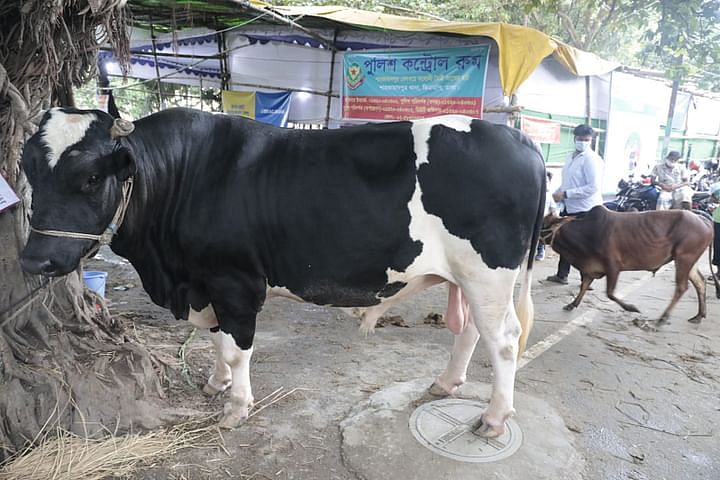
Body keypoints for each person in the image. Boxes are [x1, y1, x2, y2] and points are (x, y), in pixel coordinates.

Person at [546, 124, 604, 284]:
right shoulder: (570, 157)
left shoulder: (592, 159)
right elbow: (568, 182)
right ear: (574, 138)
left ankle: (587, 278)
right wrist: (557, 194)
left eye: (586, 139)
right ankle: (562, 275)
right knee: (566, 241)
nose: (583, 142)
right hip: (570, 207)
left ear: (591, 140)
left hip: (587, 209)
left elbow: (593, 187)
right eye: (580, 139)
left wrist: (566, 194)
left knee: (583, 245)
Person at [536, 171, 557, 261]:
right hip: (533, 217)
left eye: (546, 182)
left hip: (543, 218)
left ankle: (541, 250)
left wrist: (554, 216)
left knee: (541, 235)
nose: (544, 184)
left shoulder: (548, 195)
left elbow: (553, 207)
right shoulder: (535, 193)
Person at [710, 182, 720, 282]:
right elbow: (713, 199)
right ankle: (719, 273)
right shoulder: (717, 186)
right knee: (717, 246)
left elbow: (713, 199)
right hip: (718, 218)